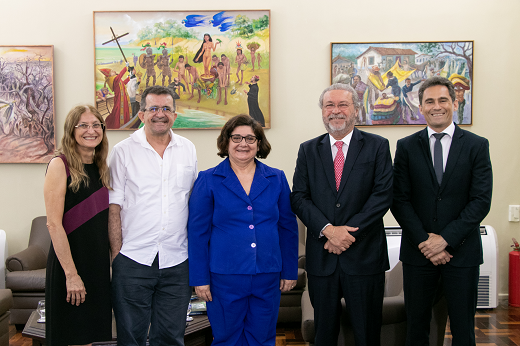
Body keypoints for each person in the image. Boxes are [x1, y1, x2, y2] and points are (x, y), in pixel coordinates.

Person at [391, 76, 492, 345]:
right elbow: (399, 200)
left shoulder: (476, 145)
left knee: (463, 330)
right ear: (420, 107)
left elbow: (481, 201)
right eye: (430, 101)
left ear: (455, 102)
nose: (437, 106)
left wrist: (444, 240)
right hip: (418, 254)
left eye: (443, 100)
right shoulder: (406, 146)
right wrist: (426, 242)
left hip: (462, 254)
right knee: (416, 328)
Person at [291, 83, 393, 346]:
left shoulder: (377, 146)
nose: (336, 111)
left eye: (342, 105)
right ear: (322, 112)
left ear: (356, 110)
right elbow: (299, 197)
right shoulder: (308, 149)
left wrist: (346, 234)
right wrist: (329, 230)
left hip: (364, 257)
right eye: (329, 105)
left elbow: (382, 195)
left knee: (367, 332)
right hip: (322, 259)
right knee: (324, 333)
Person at [188, 114, 298, 346]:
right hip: (224, 277)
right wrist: (200, 278)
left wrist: (289, 271)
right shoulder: (208, 179)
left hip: (267, 274)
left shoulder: (276, 178)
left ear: (259, 143)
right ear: (226, 142)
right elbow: (197, 233)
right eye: (236, 137)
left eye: (250, 138)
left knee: (263, 338)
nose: (243, 144)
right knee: (227, 339)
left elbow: (287, 228)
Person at [108, 85, 197, 346]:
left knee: (171, 337)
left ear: (175, 114)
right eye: (154, 108)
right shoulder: (122, 151)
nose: (160, 114)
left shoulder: (188, 149)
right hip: (133, 259)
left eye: (166, 109)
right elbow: (115, 206)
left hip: (177, 261)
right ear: (142, 113)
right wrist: (117, 257)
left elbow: (192, 201)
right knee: (131, 337)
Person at [44, 105, 112, 345]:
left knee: (95, 337)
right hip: (70, 265)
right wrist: (71, 275)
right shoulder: (59, 165)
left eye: (96, 125)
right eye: (83, 125)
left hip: (98, 265)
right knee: (72, 336)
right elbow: (53, 224)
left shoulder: (103, 167)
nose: (91, 130)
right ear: (71, 131)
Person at [100, 63, 132, 129]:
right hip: (120, 100)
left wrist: (129, 77)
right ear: (110, 76)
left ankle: (126, 123)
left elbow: (124, 83)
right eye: (112, 72)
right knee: (118, 112)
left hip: (123, 99)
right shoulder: (114, 80)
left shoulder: (117, 79)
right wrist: (125, 67)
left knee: (124, 111)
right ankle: (119, 125)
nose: (114, 71)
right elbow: (120, 75)